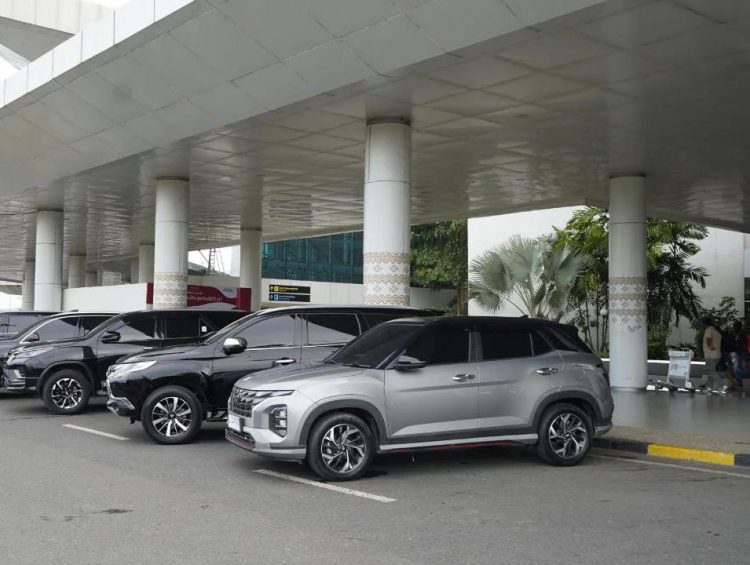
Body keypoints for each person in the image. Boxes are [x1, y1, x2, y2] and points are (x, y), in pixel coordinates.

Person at [702, 318, 724, 390]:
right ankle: (708, 387)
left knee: (711, 371)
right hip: (717, 355)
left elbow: (709, 338)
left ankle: (722, 385)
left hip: (710, 355)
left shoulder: (708, 330)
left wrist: (710, 346)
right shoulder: (717, 332)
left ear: (705, 324)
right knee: (711, 371)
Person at [731, 320, 747, 390]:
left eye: (735, 326)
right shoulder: (742, 333)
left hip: (739, 352)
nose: (734, 327)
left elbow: (740, 343)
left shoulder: (740, 334)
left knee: (737, 368)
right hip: (741, 352)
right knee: (738, 368)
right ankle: (739, 383)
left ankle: (739, 383)